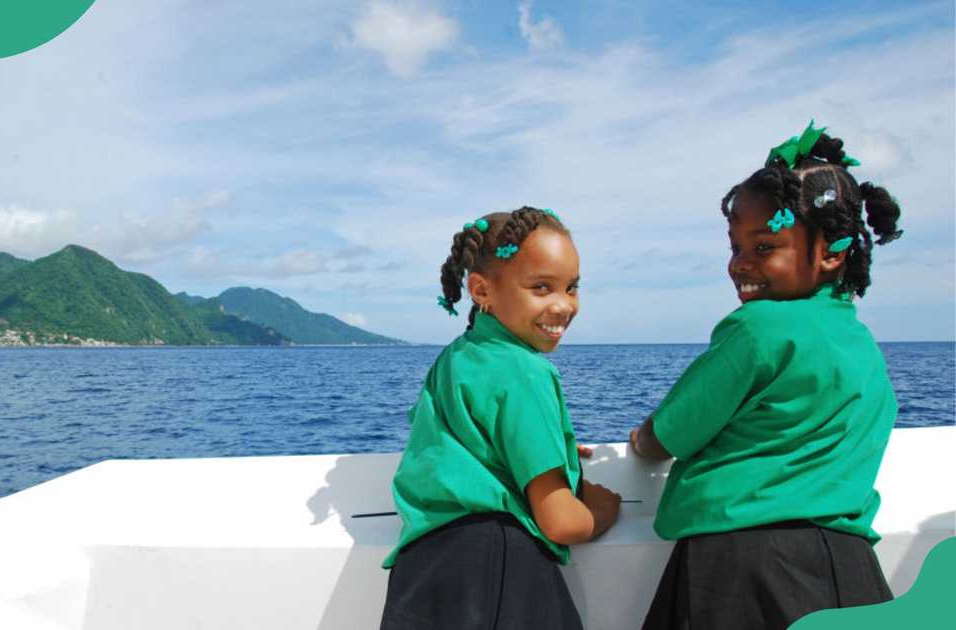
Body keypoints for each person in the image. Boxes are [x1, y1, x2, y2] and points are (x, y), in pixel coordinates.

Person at [629, 121, 904, 630]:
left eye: (763, 247)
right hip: (847, 571)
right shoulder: (862, 344)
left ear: (833, 251)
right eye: (735, 247)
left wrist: (641, 440)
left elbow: (671, 432)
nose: (739, 264)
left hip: (740, 569)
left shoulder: (757, 329)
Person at [379, 206, 622, 630]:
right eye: (542, 287)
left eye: (571, 287)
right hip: (501, 575)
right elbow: (560, 520)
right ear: (481, 290)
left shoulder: (455, 358)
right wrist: (604, 510)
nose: (563, 305)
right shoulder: (525, 370)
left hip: (423, 573)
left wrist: (556, 451)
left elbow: (469, 445)